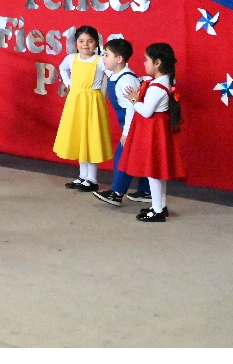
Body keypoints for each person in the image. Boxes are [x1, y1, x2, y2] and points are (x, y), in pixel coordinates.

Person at [120, 43, 185, 222]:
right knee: (157, 172)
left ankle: (157, 210)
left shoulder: (156, 86)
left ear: (157, 63)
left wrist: (134, 101)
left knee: (153, 172)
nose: (144, 63)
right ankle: (160, 206)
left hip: (153, 131)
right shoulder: (163, 82)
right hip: (157, 130)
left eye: (146, 60)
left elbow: (147, 111)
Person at [53, 25, 113, 192]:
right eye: (81, 41)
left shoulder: (100, 61)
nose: (85, 45)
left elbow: (112, 74)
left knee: (90, 138)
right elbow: (62, 68)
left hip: (93, 102)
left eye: (90, 41)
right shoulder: (71, 58)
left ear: (97, 43)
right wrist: (69, 83)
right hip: (75, 101)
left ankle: (92, 179)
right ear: (76, 43)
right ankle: (82, 176)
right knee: (80, 137)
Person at [93, 38, 151, 207]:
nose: (103, 58)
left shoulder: (126, 80)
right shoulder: (115, 73)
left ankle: (116, 193)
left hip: (134, 124)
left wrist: (126, 133)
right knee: (139, 157)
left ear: (119, 59)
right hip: (128, 124)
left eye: (106, 55)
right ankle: (145, 191)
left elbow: (132, 108)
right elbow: (102, 65)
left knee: (123, 157)